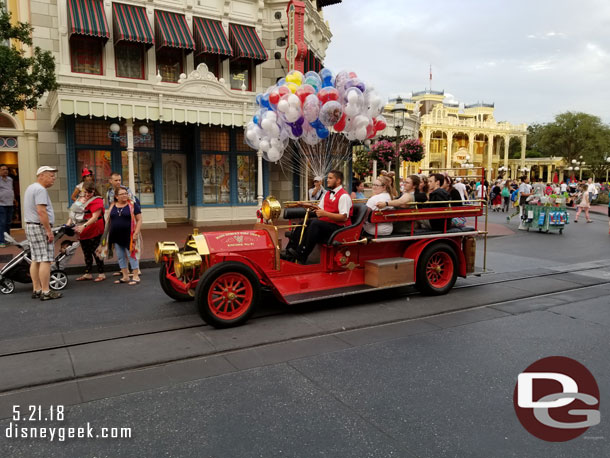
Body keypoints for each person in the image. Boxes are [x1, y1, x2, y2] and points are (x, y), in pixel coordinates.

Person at [285, 170, 352, 264]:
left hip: (340, 228)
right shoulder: (328, 194)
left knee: (315, 224)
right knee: (305, 223)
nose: (327, 180)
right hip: (328, 224)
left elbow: (343, 217)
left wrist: (324, 214)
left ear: (338, 181)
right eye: (328, 178)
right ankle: (290, 250)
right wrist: (306, 205)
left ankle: (302, 254)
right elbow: (319, 208)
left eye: (330, 178)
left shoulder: (344, 196)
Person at [23, 166, 62, 301]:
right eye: (51, 176)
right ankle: (46, 291)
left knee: (35, 259)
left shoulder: (30, 188)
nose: (53, 178)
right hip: (40, 227)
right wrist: (48, 230)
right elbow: (41, 211)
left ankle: (37, 289)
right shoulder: (40, 190)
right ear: (41, 176)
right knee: (45, 259)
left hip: (30, 226)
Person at [104, 186, 142, 285]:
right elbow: (109, 220)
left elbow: (139, 220)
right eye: (122, 194)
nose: (125, 195)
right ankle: (125, 276)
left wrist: (136, 233)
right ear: (116, 196)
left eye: (126, 193)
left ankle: (135, 276)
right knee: (120, 256)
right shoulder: (113, 205)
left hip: (129, 235)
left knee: (132, 255)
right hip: (115, 235)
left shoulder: (133, 205)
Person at [71, 182, 106, 282]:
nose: (87, 194)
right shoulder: (80, 199)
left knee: (96, 252)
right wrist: (69, 224)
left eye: (89, 192)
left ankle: (101, 273)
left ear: (94, 191)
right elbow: (73, 212)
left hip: (94, 229)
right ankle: (88, 273)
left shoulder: (97, 200)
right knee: (86, 253)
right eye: (85, 192)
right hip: (82, 230)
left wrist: (83, 226)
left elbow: (95, 217)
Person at [0, 164, 15, 248]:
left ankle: (7, 239)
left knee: (8, 223)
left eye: (6, 169)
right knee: (2, 223)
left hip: (10, 203)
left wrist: (14, 199)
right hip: (1, 204)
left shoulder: (10, 179)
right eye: (3, 169)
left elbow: (11, 190)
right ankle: (1, 241)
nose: (5, 171)